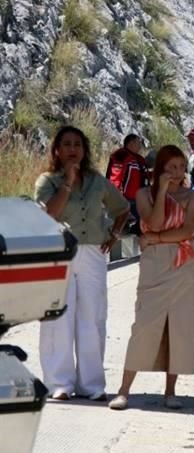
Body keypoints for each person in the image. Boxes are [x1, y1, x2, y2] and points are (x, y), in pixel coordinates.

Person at [35, 126, 130, 401]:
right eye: (66, 144)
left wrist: (114, 234)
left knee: (93, 317)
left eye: (77, 144)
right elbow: (49, 214)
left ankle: (91, 384)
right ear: (57, 150)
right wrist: (67, 182)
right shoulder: (47, 181)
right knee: (58, 319)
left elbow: (121, 208)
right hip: (58, 252)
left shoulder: (97, 181)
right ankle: (59, 383)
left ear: (85, 149)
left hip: (92, 254)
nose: (73, 149)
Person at [109, 145, 194, 411]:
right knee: (145, 325)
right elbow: (156, 221)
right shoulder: (143, 194)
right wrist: (161, 191)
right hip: (154, 266)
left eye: (181, 167)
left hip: (183, 264)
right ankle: (124, 389)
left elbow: (187, 230)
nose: (176, 173)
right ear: (159, 169)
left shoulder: (193, 197)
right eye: (170, 167)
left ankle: (170, 390)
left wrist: (156, 238)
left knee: (180, 325)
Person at [107, 133, 149, 234]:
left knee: (139, 232)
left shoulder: (139, 159)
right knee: (126, 233)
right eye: (138, 142)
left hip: (140, 201)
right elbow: (114, 178)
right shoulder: (121, 155)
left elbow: (144, 176)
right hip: (126, 201)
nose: (140, 145)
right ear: (131, 143)